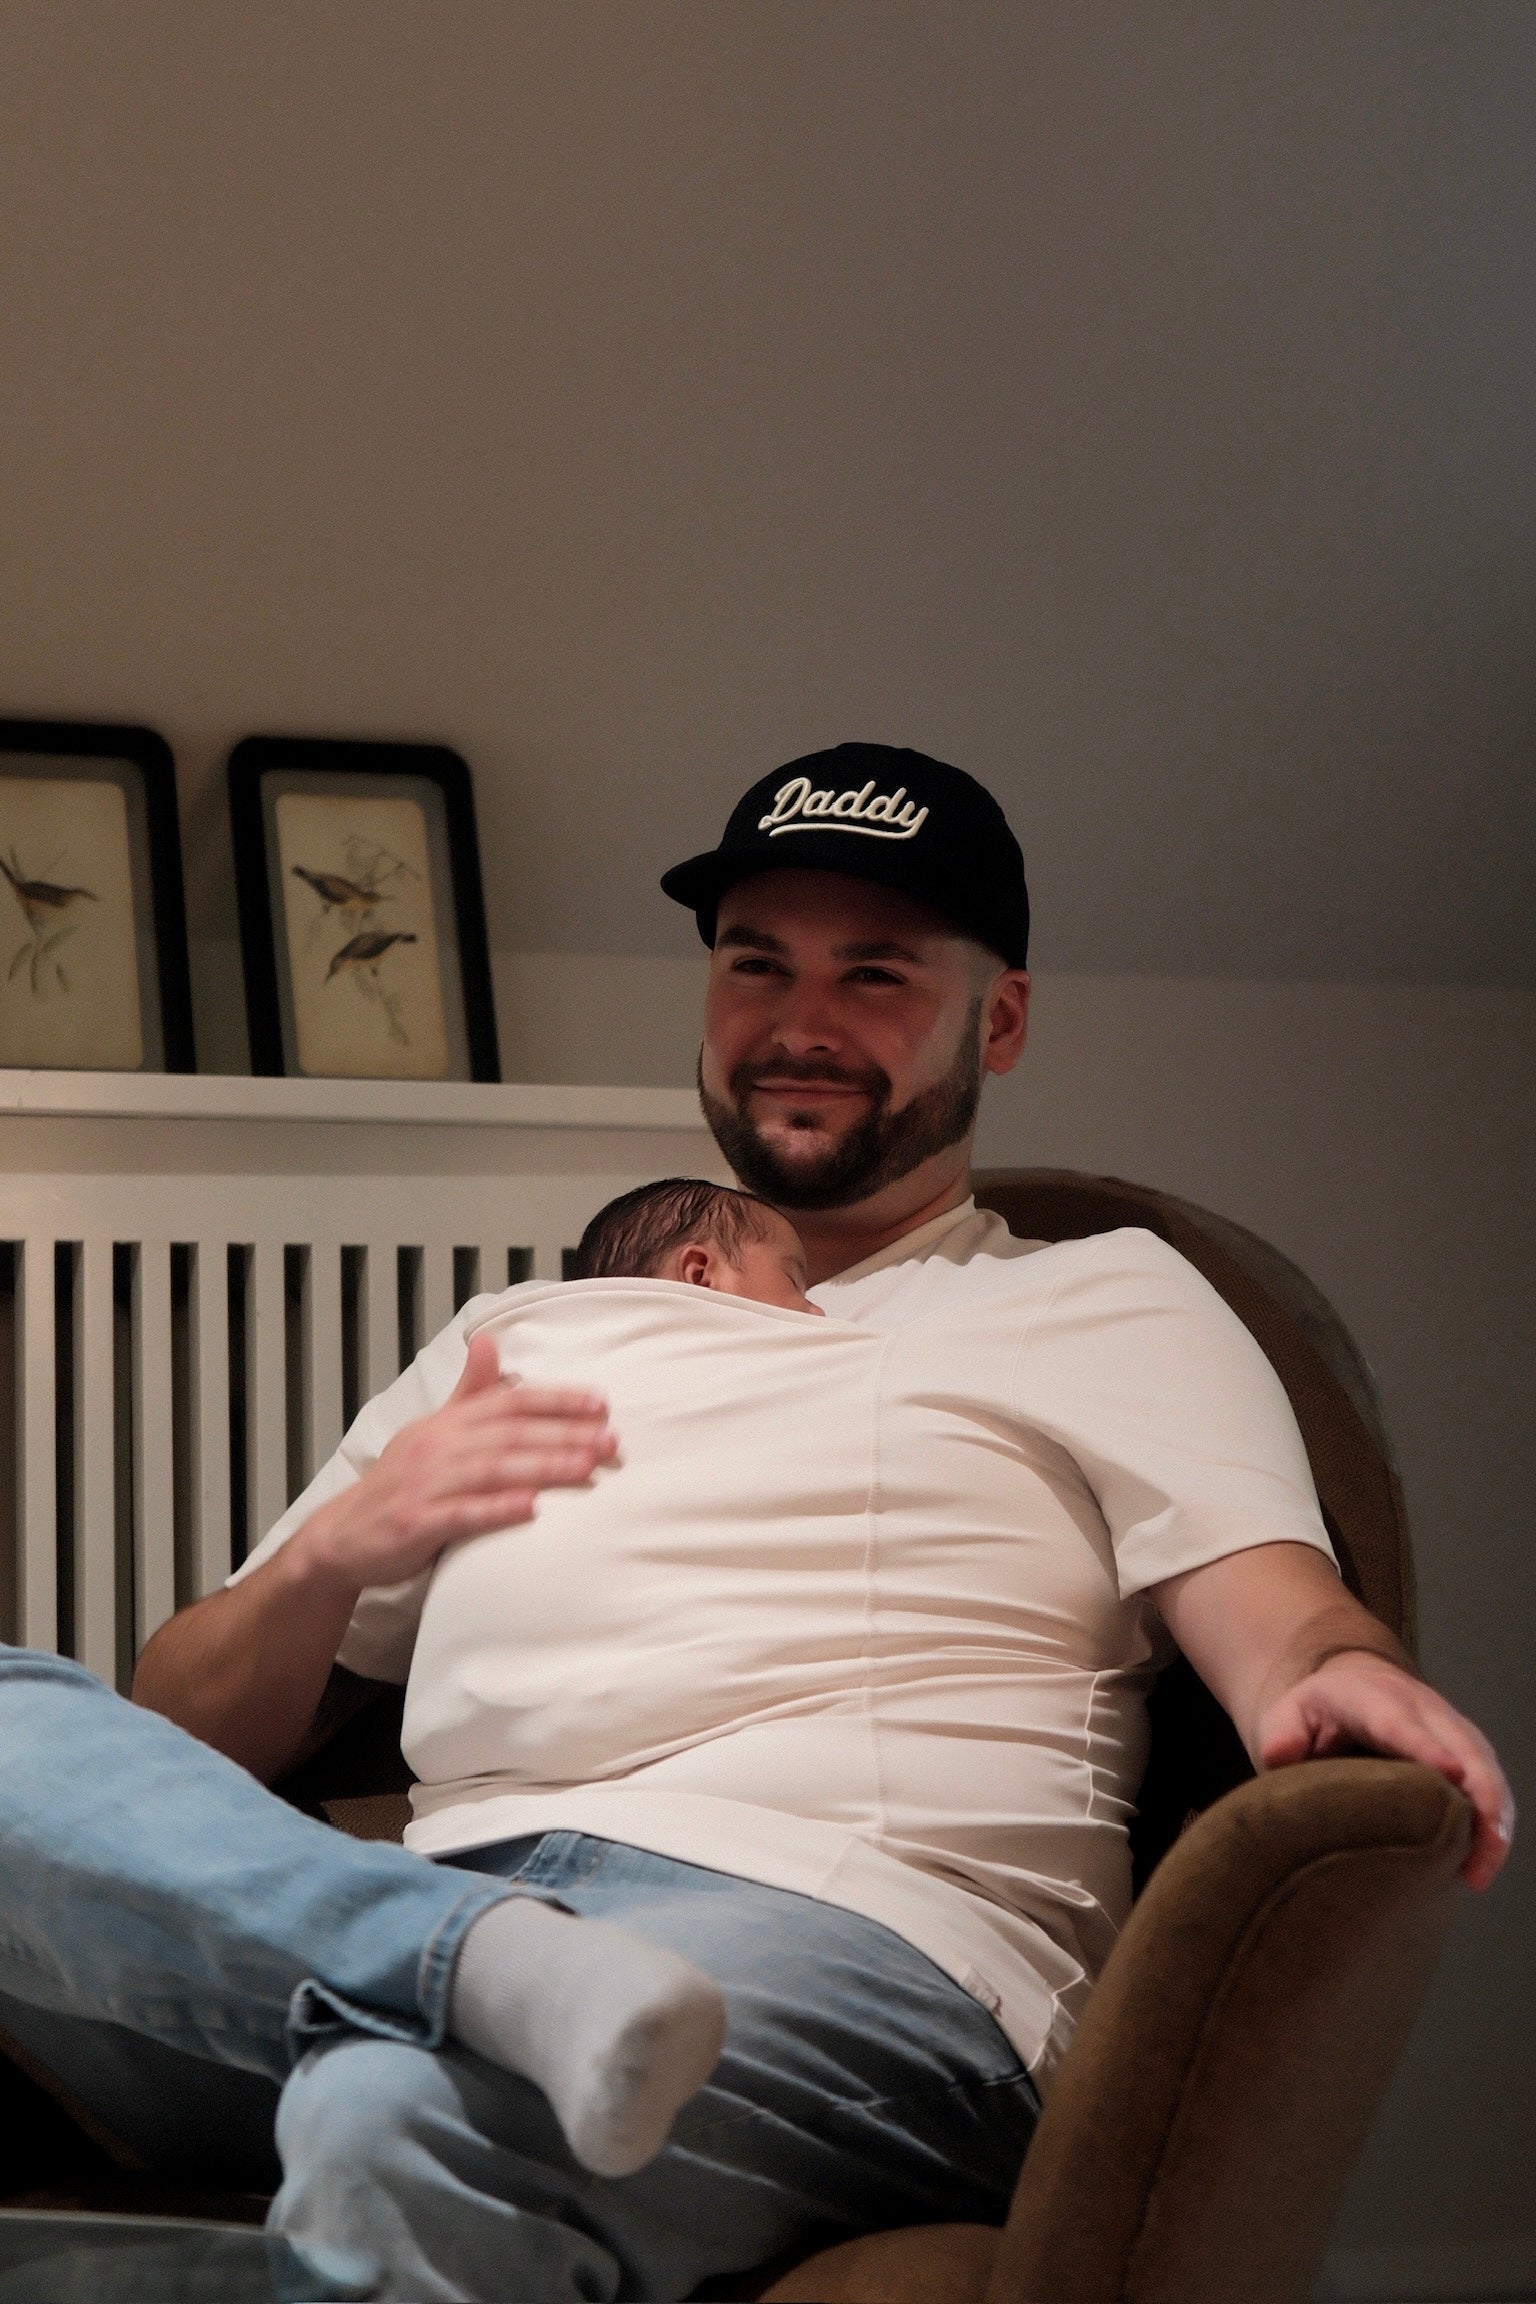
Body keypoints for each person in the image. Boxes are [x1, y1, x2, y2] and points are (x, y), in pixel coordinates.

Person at [0, 744, 1514, 2304]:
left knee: (398, 2114)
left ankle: (434, 2008)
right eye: (756, 965)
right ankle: (484, 1977)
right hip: (457, 1893)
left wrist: (1331, 1664)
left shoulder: (1103, 1295)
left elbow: (1278, 1613)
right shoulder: (533, 1327)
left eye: (875, 974)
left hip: (848, 1932)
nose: (801, 1024)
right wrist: (336, 1552)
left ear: (997, 1017)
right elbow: (187, 1733)